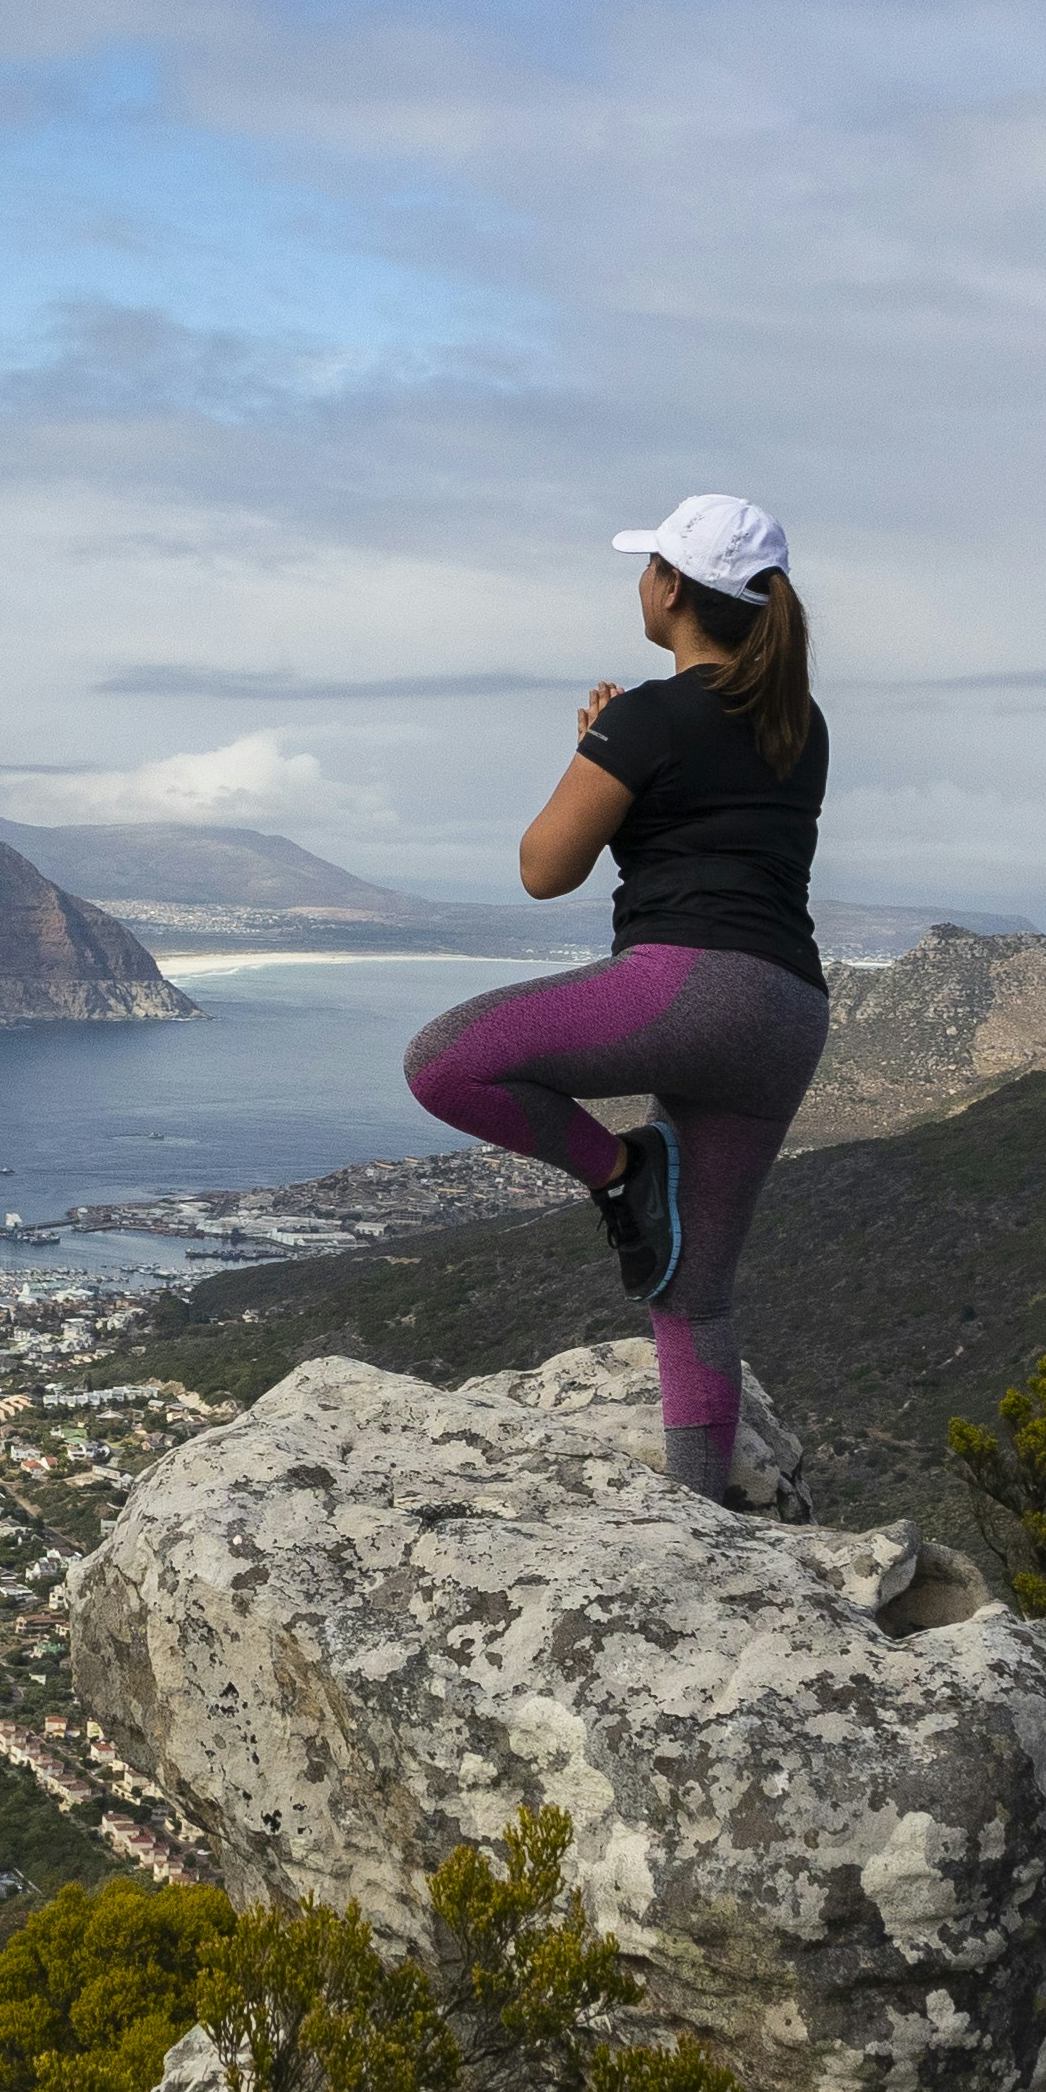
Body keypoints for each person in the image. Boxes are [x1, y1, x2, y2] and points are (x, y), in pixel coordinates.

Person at [398, 492, 829, 1505]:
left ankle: (626, 1168)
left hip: (687, 987)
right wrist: (621, 757)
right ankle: (697, 1520)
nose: (638, 578)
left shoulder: (647, 713)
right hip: (788, 1014)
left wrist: (598, 751)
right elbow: (711, 818)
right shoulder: (797, 723)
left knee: (443, 1059)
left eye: (647, 564)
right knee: (692, 1295)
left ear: (670, 587)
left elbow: (542, 868)